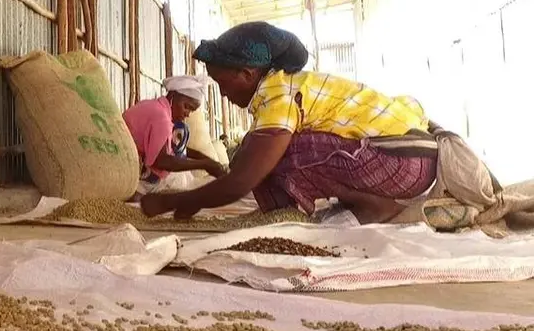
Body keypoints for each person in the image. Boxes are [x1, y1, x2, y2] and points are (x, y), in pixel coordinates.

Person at [140, 22, 437, 224]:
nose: (223, 93)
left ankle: (377, 206)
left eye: (222, 81)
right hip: (409, 160)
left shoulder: (278, 94)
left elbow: (242, 181)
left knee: (281, 153)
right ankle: (291, 211)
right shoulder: (284, 87)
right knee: (254, 150)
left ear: (246, 73)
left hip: (402, 162)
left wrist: (174, 202)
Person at [122, 75, 226, 190]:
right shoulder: (161, 118)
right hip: (126, 168)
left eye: (191, 110)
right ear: (173, 96)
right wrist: (204, 164)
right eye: (186, 107)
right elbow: (161, 161)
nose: (187, 114)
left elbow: (172, 148)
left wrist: (204, 158)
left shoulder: (155, 106)